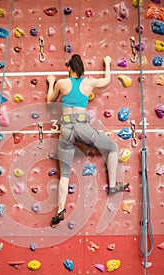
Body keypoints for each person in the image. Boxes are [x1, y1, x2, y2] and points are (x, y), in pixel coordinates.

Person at [46, 54, 129, 227]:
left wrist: (51, 82)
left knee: (65, 175)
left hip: (66, 130)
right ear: (82, 68)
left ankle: (60, 210)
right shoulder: (89, 82)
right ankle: (113, 185)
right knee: (112, 147)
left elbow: (49, 101)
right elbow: (106, 80)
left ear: (69, 68)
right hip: (82, 128)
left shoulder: (62, 83)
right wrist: (107, 63)